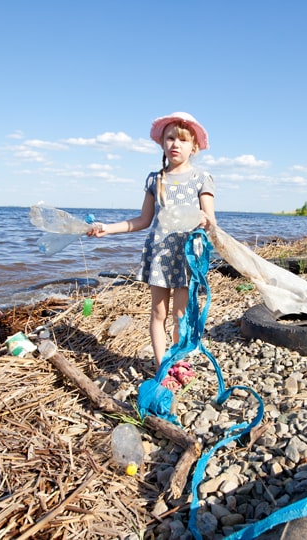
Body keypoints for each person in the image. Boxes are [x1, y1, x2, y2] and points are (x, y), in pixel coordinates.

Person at [88, 112, 216, 389]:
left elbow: (211, 222)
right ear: (162, 143)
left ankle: (179, 360)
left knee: (180, 315)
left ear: (193, 146)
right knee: (158, 313)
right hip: (159, 256)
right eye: (170, 138)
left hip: (186, 257)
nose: (175, 144)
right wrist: (106, 228)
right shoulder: (154, 179)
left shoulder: (200, 178)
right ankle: (162, 367)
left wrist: (204, 222)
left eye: (182, 140)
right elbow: (143, 221)